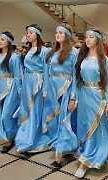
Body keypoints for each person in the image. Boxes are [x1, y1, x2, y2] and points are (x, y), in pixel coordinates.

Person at [74, 29, 108, 178]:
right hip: (83, 95)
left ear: (98, 40)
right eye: (86, 37)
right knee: (85, 126)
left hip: (97, 96)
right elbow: (77, 79)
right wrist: (75, 98)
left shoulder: (104, 60)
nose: (87, 40)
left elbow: (107, 83)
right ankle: (98, 152)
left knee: (96, 127)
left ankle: (85, 162)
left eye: (91, 37)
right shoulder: (81, 56)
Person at [44, 25, 78, 169]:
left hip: (66, 88)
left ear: (67, 35)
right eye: (56, 32)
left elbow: (76, 76)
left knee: (64, 120)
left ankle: (59, 156)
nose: (57, 35)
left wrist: (73, 97)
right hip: (53, 88)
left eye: (61, 33)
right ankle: (65, 146)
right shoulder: (52, 52)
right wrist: (45, 90)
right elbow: (47, 73)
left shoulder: (74, 52)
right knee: (54, 120)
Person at [14, 24, 50, 158]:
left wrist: (45, 89)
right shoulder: (28, 50)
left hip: (37, 82)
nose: (27, 35)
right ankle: (24, 137)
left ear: (37, 34)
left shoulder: (44, 50)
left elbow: (47, 71)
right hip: (27, 82)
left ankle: (32, 140)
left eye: (30, 32)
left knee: (34, 111)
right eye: (27, 32)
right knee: (26, 110)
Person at [0, 31, 22, 153]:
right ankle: (6, 135)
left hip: (11, 87)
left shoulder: (14, 57)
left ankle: (10, 138)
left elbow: (18, 75)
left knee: (7, 114)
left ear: (8, 42)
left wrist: (19, 90)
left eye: (2, 40)